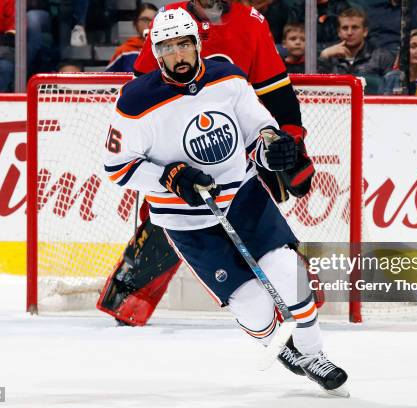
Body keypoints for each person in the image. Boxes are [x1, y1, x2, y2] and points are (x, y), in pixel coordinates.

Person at [104, 7, 350, 397]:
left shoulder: (227, 77)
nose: (179, 54)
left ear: (197, 44)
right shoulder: (136, 101)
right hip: (186, 220)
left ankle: (313, 353)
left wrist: (275, 150)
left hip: (245, 197)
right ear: (156, 52)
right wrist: (170, 177)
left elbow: (260, 131)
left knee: (289, 272)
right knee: (251, 304)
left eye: (185, 44)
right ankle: (277, 343)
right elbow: (117, 166)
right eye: (168, 48)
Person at [106, 0, 315, 328]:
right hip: (175, 147)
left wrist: (291, 142)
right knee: (169, 220)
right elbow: (146, 86)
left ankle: (298, 298)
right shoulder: (171, 18)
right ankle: (129, 300)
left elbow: (275, 88)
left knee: (258, 220)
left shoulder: (250, 22)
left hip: (233, 137)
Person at [318, 6, 394, 77]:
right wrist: (324, 57)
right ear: (339, 32)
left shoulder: (381, 58)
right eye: (345, 28)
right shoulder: (329, 55)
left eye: (354, 27)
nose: (349, 33)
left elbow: (390, 87)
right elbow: (315, 87)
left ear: (365, 31)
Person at [106, 3, 158, 72]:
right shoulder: (124, 51)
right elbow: (108, 79)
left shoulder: (164, 49)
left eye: (154, 20)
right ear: (135, 23)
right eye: (145, 20)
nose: (150, 24)